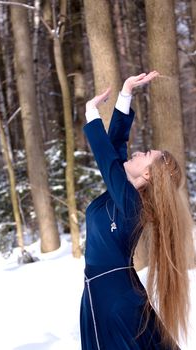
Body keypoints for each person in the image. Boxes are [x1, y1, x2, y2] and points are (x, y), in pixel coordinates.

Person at [80, 72, 194, 350]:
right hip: (106, 294)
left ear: (147, 174)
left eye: (147, 154)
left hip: (113, 301)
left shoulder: (132, 204)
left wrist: (91, 113)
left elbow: (107, 158)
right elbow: (115, 147)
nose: (140, 152)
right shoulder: (123, 195)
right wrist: (126, 93)